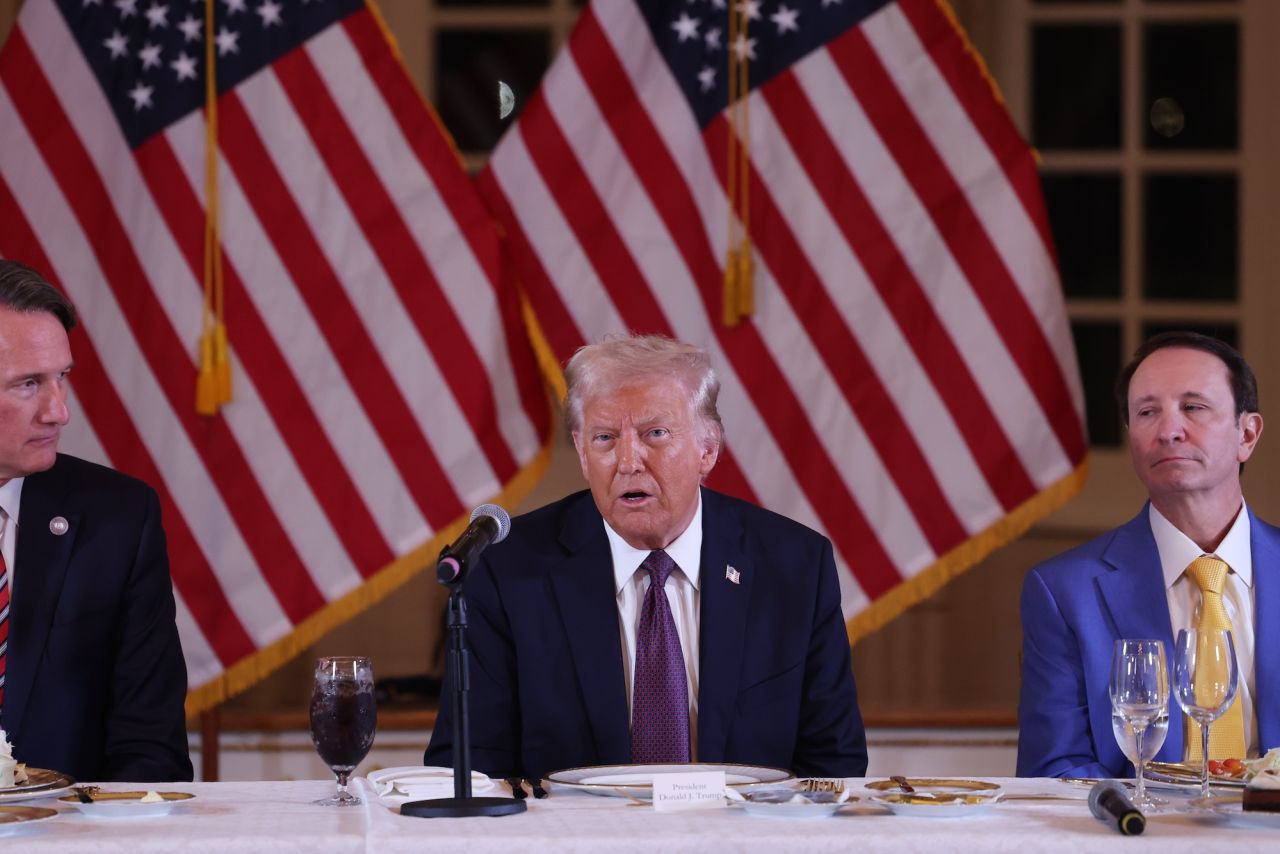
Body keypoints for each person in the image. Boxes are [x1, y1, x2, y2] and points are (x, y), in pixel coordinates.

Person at [425, 335, 867, 780]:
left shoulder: (793, 567)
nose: (628, 461)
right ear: (581, 451)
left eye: (655, 434)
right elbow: (467, 768)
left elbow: (833, 766)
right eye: (605, 438)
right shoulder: (508, 570)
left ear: (707, 449)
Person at [1018, 331, 1279, 778]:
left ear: (1247, 434)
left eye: (1194, 408)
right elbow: (1055, 771)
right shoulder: (1064, 591)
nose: (1168, 430)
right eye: (1146, 412)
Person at [0, 261, 191, 782]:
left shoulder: (120, 520)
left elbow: (151, 748)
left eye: (61, 377)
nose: (58, 411)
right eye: (28, 384)